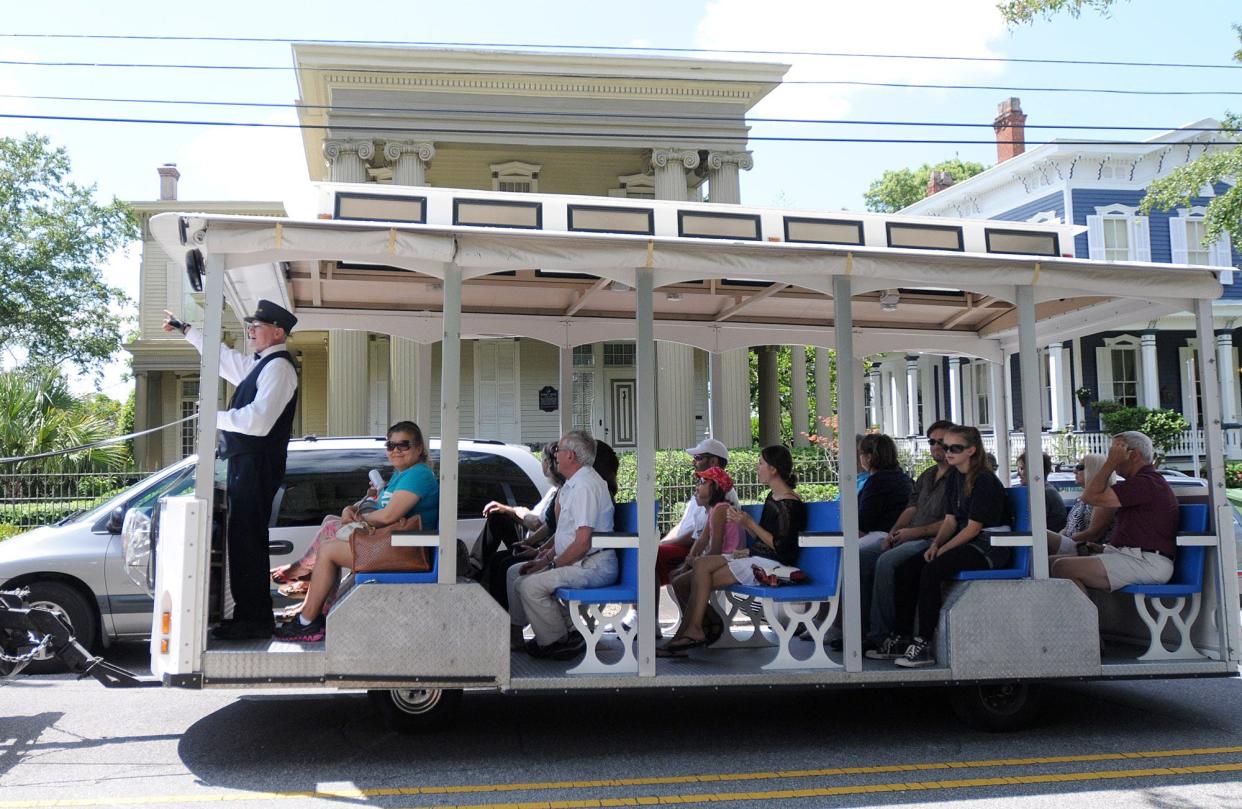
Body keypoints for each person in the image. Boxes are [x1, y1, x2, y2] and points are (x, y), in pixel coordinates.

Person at [165, 300, 299, 641]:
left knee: (248, 542)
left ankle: (254, 620)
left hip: (256, 463)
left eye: (257, 325)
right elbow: (224, 359)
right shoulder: (264, 364)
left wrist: (212, 417)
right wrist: (187, 331)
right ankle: (248, 615)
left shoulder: (279, 368)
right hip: (247, 463)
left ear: (278, 331)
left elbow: (258, 421)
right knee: (243, 541)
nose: (250, 330)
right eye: (249, 325)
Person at [275, 422, 439, 642]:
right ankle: (310, 602)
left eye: (404, 445)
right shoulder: (402, 474)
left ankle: (306, 620)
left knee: (328, 550)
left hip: (410, 545)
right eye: (391, 445)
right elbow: (377, 508)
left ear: (418, 448)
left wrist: (359, 519)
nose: (396, 450)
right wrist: (350, 510)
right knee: (330, 523)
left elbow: (388, 516)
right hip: (396, 541)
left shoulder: (419, 474)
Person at [658, 445, 806, 657]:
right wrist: (746, 530)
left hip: (770, 566)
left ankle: (694, 630)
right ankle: (693, 629)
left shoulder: (790, 503)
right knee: (698, 567)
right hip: (755, 558)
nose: (757, 467)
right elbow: (763, 538)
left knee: (696, 575)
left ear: (773, 469)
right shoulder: (773, 499)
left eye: (761, 463)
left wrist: (749, 524)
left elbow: (783, 547)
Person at [890, 425, 1010, 668]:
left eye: (956, 448)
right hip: (968, 539)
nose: (948, 452)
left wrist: (942, 551)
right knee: (905, 569)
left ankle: (923, 643)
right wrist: (936, 544)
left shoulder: (984, 481)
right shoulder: (955, 477)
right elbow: (950, 520)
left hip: (990, 546)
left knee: (932, 569)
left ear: (972, 451)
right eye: (946, 447)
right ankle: (902, 636)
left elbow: (973, 528)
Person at [509, 430, 616, 660]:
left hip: (592, 566)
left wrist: (549, 566)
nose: (554, 454)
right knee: (517, 576)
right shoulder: (574, 484)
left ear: (572, 456)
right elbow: (566, 536)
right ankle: (567, 630)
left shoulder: (585, 486)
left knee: (530, 586)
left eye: (559, 449)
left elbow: (582, 543)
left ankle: (558, 641)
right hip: (581, 561)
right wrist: (543, 559)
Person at [860, 420, 954, 659]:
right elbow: (911, 508)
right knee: (861, 557)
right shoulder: (927, 475)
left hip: (934, 539)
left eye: (941, 441)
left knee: (886, 562)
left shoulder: (957, 478)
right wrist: (893, 533)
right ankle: (859, 628)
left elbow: (952, 521)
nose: (935, 446)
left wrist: (913, 533)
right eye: (931, 441)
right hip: (910, 536)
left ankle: (882, 636)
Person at [1051, 431, 1178, 596]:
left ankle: (1086, 619)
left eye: (1116, 451)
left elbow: (1090, 497)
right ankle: (1082, 614)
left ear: (1134, 455)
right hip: (1133, 557)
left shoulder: (1147, 482)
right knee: (1048, 563)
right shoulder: (1139, 483)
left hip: (1149, 562)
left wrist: (1110, 463)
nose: (1111, 455)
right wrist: (1104, 548)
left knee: (1062, 567)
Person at [654, 438, 738, 634]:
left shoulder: (720, 496)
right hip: (699, 551)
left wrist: (664, 545)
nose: (694, 461)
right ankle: (694, 624)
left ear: (714, 462)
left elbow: (696, 537)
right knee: (649, 557)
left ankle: (692, 625)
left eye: (699, 457)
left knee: (650, 557)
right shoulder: (705, 494)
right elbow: (690, 529)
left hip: (716, 556)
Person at [476, 443, 564, 608]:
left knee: (502, 563)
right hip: (533, 540)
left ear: (548, 463)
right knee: (498, 518)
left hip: (542, 544)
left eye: (543, 460)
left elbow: (540, 524)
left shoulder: (563, 492)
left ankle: (504, 616)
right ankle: (475, 567)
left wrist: (519, 513)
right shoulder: (554, 490)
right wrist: (517, 511)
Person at [667, 467, 744, 616]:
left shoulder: (721, 509)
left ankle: (701, 622)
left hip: (730, 559)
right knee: (675, 576)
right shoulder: (713, 510)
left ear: (715, 487)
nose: (697, 486)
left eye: (702, 481)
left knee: (680, 583)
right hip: (720, 559)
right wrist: (687, 563)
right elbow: (702, 541)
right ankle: (697, 621)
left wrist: (693, 562)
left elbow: (715, 549)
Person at [1044, 453, 1117, 557]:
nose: (1074, 471)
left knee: (1040, 534)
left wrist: (1066, 539)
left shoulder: (1104, 498)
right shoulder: (1082, 498)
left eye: (1079, 467)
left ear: (1093, 470)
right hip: (1072, 543)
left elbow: (1093, 534)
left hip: (1084, 547)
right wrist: (1059, 538)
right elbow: (1067, 528)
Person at [1017, 451, 1068, 534]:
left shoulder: (1043, 494)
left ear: (1035, 470)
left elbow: (1034, 527)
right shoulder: (1045, 490)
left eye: (1022, 468)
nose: (1018, 473)